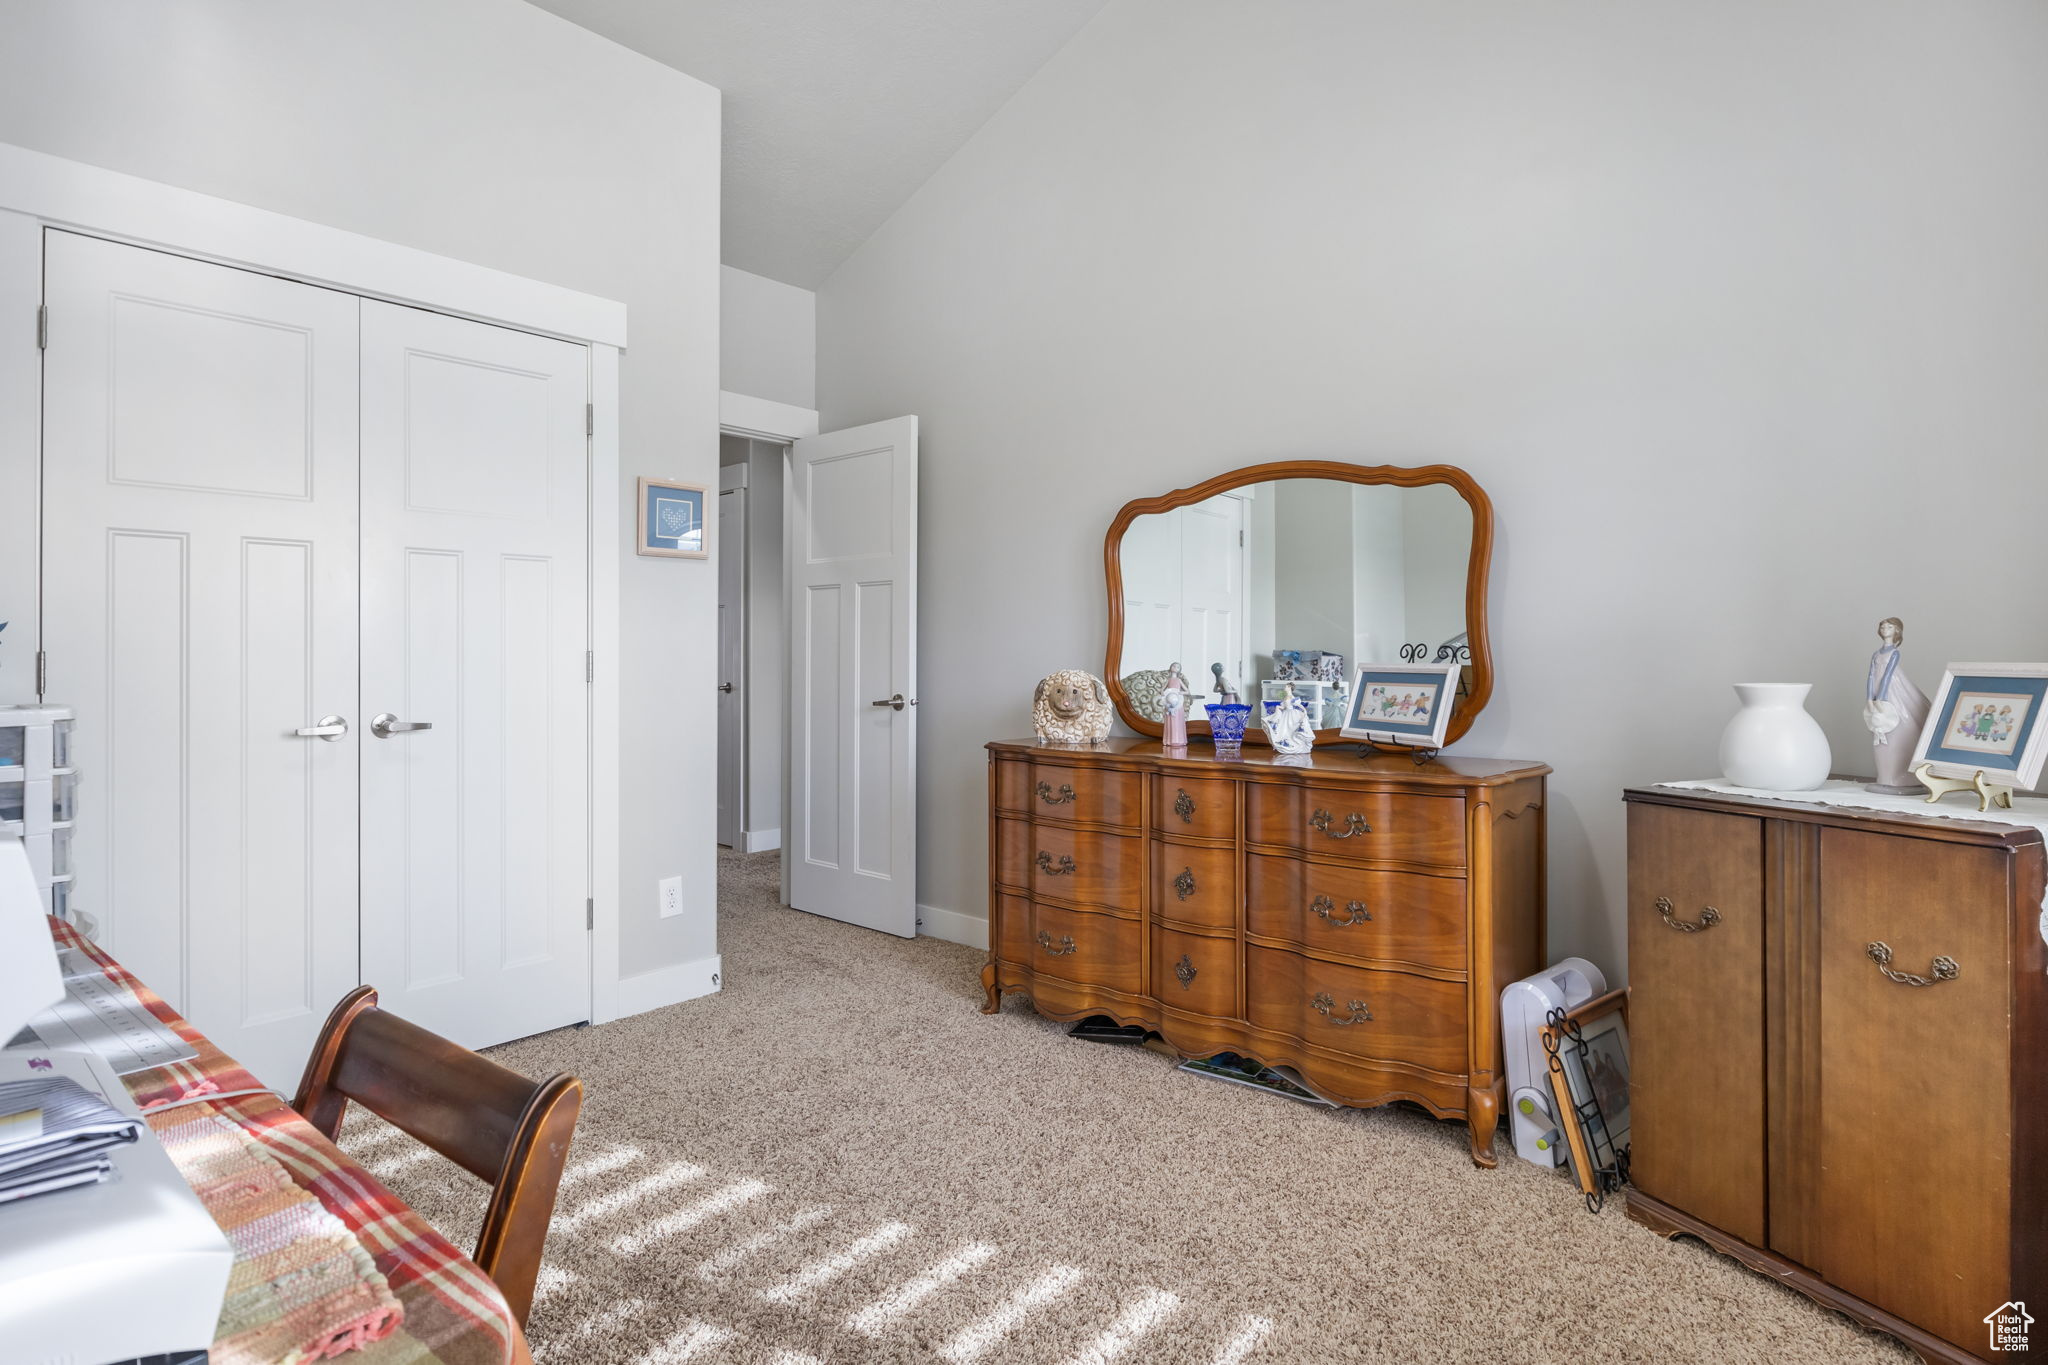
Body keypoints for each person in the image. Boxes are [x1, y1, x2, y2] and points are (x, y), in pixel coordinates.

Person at [1864, 616, 1930, 793]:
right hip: (1878, 694)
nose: (1885, 629)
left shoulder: (1894, 653)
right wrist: (1870, 698)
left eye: (1890, 627)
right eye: (1883, 626)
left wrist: (1882, 699)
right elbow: (1871, 676)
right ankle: (1885, 776)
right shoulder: (1876, 654)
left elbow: (1887, 676)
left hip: (1891, 691)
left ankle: (1901, 775)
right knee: (1879, 729)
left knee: (1895, 727)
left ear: (1897, 632)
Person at [1267, 684, 1314, 755]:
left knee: (1290, 729)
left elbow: (1299, 705)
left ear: (1289, 687)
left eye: (1286, 686)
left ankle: (1294, 745)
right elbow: (1284, 707)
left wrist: (1304, 710)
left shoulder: (1293, 697)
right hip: (1285, 714)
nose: (1284, 687)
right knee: (1282, 729)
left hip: (1291, 714)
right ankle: (1285, 744)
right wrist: (1278, 707)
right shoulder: (1286, 697)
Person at [1160, 662, 1191, 748]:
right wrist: (1163, 693)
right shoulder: (1168, 680)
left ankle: (1179, 739)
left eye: (1177, 667)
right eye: (1174, 666)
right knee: (1170, 719)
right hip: (1169, 701)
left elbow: (1187, 691)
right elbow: (1162, 690)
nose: (1175, 667)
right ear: (1170, 667)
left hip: (1177, 702)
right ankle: (1169, 739)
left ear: (1179, 670)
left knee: (1177, 720)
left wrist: (1181, 692)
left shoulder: (1179, 680)